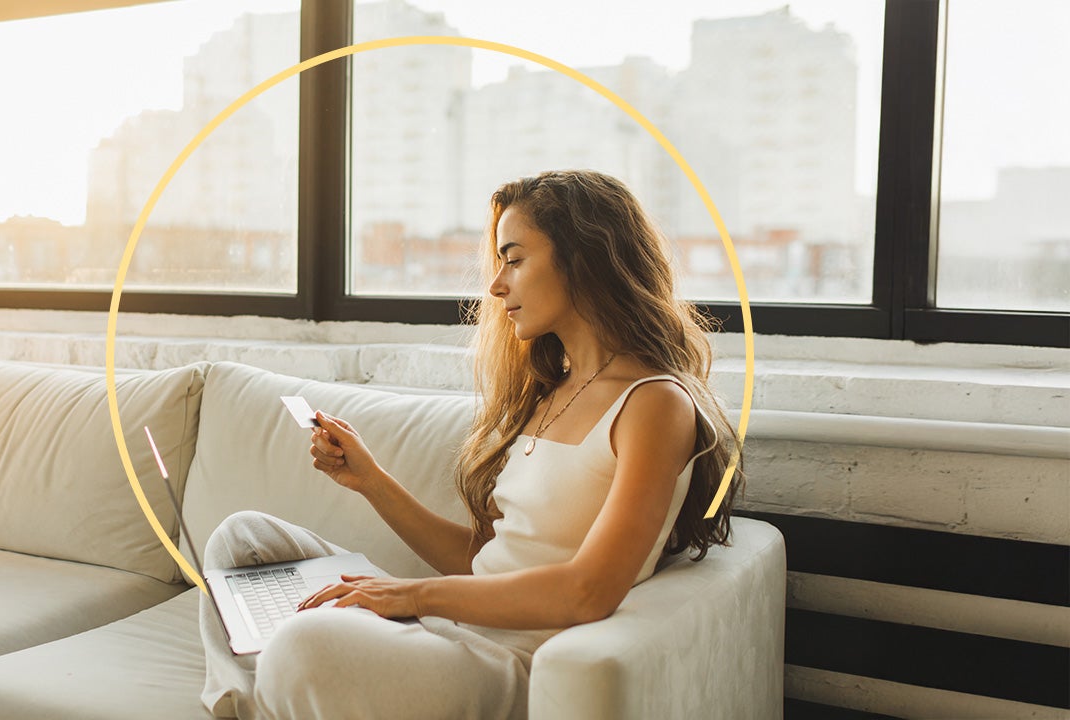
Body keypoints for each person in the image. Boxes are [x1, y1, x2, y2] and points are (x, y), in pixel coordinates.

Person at [199, 169, 744, 719]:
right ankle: (245, 702)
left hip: (509, 660)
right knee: (240, 540)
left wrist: (413, 595)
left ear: (584, 258)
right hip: (448, 630)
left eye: (514, 258)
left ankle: (276, 687)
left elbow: (588, 591)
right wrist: (370, 481)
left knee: (303, 645)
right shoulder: (550, 393)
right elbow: (483, 561)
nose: (496, 284)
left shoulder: (654, 404)